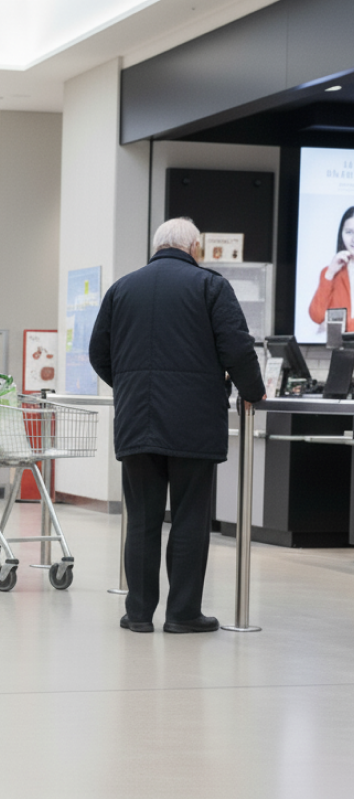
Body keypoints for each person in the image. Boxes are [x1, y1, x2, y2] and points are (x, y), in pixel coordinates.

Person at [89, 217, 265, 634]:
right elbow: (237, 347)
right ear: (194, 247)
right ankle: (182, 614)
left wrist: (131, 384)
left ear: (157, 246)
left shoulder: (122, 289)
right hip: (193, 424)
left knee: (141, 519)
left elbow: (99, 352)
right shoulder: (210, 286)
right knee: (189, 517)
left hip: (136, 421)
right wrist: (252, 391)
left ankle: (138, 614)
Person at [309, 205, 354, 331]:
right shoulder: (331, 272)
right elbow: (317, 316)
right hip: (341, 344)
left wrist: (334, 325)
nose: (353, 239)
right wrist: (329, 274)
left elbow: (332, 326)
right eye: (349, 232)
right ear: (341, 234)